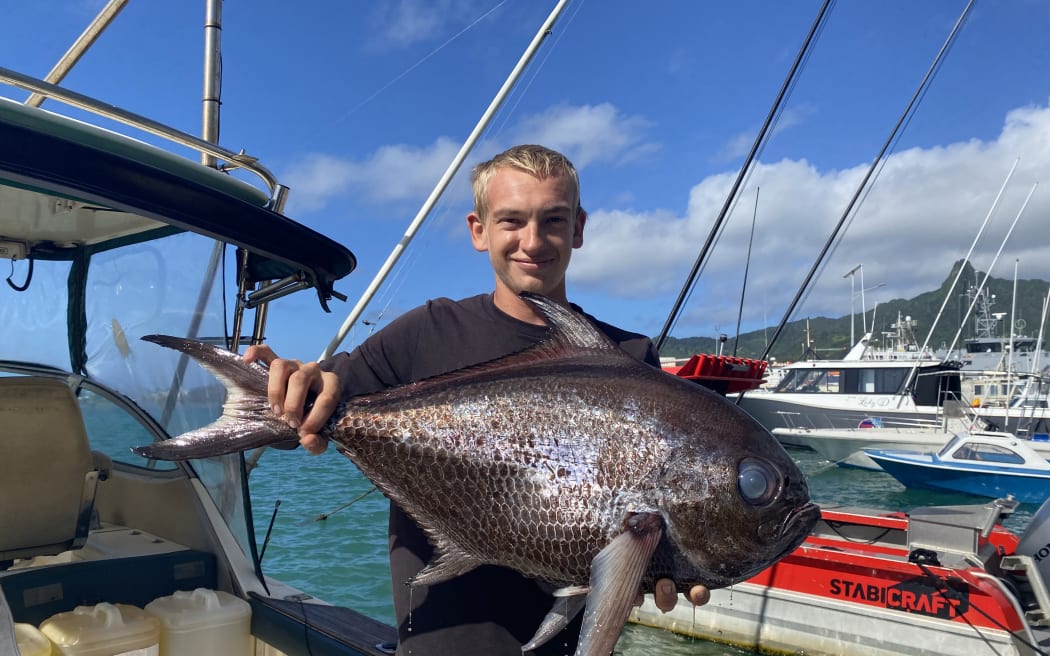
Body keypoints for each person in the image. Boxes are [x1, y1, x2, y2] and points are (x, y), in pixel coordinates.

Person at [245, 144, 709, 655]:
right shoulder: (426, 333)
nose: (532, 241)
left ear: (578, 227)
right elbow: (313, 411)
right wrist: (289, 389)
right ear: (478, 229)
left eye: (552, 220)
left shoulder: (628, 357)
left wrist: (670, 564)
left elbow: (646, 507)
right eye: (511, 220)